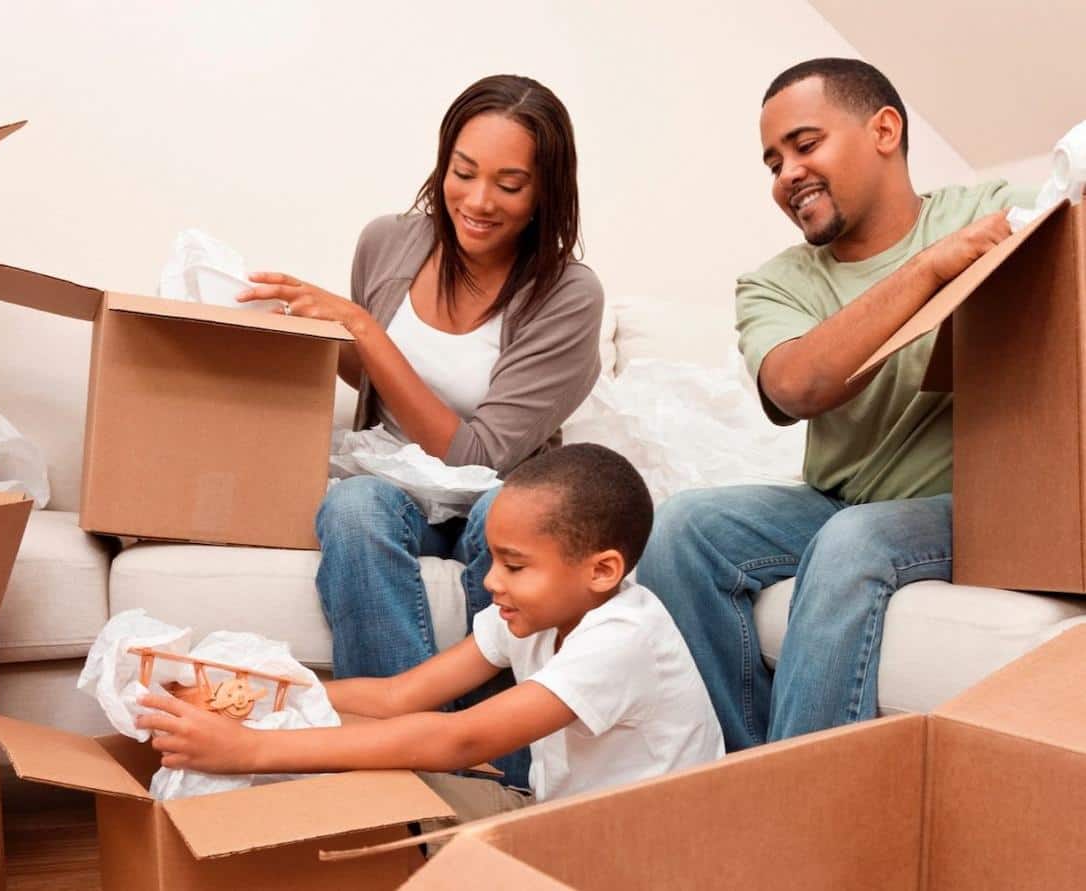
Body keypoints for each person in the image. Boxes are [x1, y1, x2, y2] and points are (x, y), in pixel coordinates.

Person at [637, 58, 1036, 752]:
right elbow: (797, 387)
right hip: (836, 497)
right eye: (771, 162)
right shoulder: (773, 284)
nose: (786, 174)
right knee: (680, 527)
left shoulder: (982, 212)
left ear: (884, 130)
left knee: (851, 544)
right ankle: (750, 774)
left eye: (804, 144)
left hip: (966, 503)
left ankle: (796, 807)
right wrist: (929, 268)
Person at [238, 75, 604, 787]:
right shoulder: (388, 242)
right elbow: (371, 379)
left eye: (509, 183)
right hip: (392, 479)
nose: (476, 200)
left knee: (509, 521)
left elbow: (478, 453)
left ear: (545, 195)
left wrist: (362, 328)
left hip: (501, 490)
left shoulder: (568, 293)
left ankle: (502, 775)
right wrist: (300, 333)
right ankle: (401, 774)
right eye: (462, 173)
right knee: (352, 506)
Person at [136, 445, 723, 822]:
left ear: (602, 571)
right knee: (343, 786)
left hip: (633, 857)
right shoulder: (533, 614)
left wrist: (253, 749)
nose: (491, 581)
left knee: (357, 799)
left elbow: (462, 740)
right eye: (491, 559)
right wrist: (258, 693)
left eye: (514, 566)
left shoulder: (624, 638)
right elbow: (397, 697)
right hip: (556, 817)